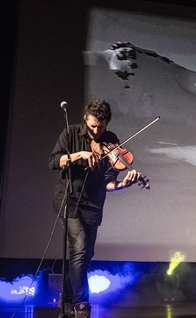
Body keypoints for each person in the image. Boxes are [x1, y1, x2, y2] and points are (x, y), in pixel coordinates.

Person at [49, 98, 141, 318]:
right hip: (69, 200)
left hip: (93, 204)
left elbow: (109, 182)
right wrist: (79, 155)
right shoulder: (70, 134)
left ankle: (68, 298)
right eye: (92, 126)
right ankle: (81, 304)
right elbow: (53, 161)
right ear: (85, 119)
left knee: (86, 254)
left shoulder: (111, 142)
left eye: (101, 126)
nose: (96, 131)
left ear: (106, 123)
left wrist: (122, 184)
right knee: (79, 249)